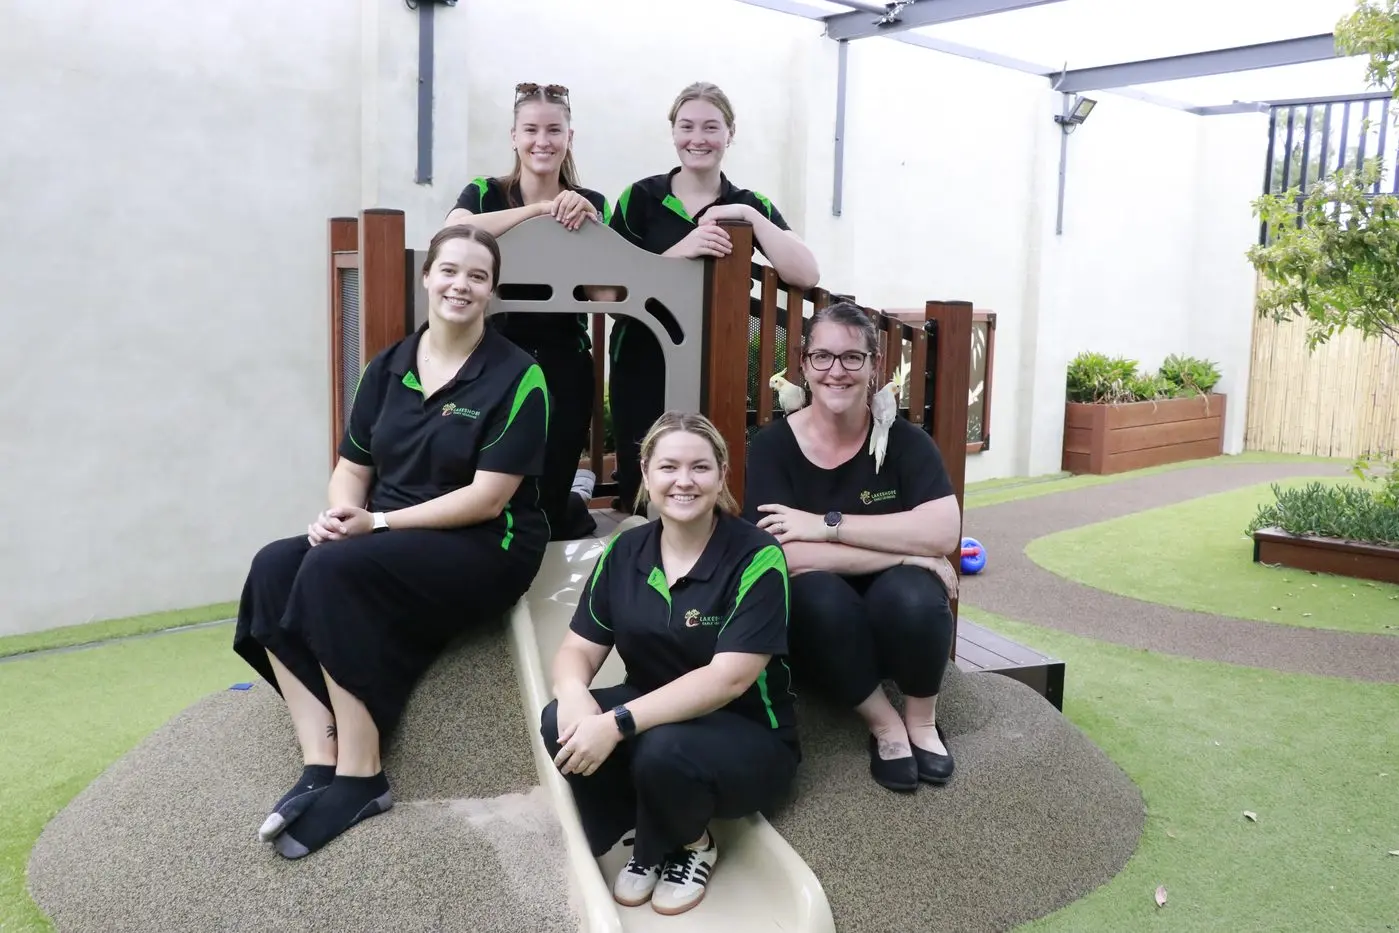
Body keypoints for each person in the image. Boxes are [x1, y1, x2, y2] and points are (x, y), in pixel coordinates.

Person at [232, 224, 550, 858]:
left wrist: (373, 525)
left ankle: (361, 774)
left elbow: (488, 498)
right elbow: (353, 468)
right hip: (388, 533)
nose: (461, 284)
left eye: (477, 276)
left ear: (492, 291)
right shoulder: (388, 366)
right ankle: (320, 758)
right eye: (450, 270)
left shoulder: (519, 376)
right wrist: (339, 516)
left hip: (488, 543)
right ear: (427, 278)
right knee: (274, 565)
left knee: (331, 572)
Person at [540, 411, 798, 917]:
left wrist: (615, 722)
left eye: (700, 467)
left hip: (749, 735)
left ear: (722, 474)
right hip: (657, 719)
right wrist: (574, 696)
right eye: (669, 467)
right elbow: (577, 650)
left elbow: (730, 678)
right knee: (559, 720)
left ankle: (692, 843)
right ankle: (646, 827)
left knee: (662, 746)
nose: (684, 481)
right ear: (646, 472)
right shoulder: (624, 550)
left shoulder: (757, 556)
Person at [742, 301, 961, 793]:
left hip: (894, 628)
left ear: (873, 365)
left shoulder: (906, 442)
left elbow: (944, 532)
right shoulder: (774, 446)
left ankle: (922, 721)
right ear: (803, 364)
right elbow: (780, 557)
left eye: (850, 358)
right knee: (816, 595)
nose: (836, 371)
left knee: (914, 594)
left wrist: (825, 525)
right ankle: (884, 724)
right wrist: (907, 550)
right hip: (823, 636)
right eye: (822, 357)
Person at [607, 81, 819, 513]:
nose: (697, 139)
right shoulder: (640, 198)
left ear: (729, 133)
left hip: (719, 364)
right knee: (645, 481)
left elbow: (807, 273)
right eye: (686, 126)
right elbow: (608, 291)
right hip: (643, 362)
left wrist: (750, 218)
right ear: (673, 132)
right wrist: (678, 253)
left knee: (714, 475)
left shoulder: (747, 202)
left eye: (710, 127)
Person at [445, 81, 610, 540]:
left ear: (569, 138)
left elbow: (604, 293)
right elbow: (454, 233)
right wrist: (539, 210)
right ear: (514, 136)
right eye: (531, 130)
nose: (543, 141)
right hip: (492, 356)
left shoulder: (591, 202)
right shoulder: (485, 193)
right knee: (489, 473)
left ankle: (566, 515)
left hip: (565, 359)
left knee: (553, 482)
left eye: (554, 130)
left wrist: (590, 230)